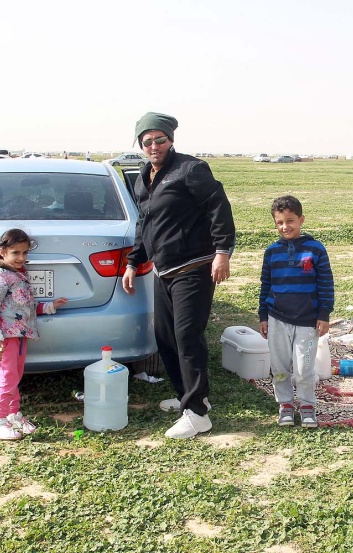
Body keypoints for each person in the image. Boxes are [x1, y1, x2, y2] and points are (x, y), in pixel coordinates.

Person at [121, 112, 236, 439]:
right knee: (166, 338)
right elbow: (146, 224)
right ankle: (190, 396)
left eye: (160, 139)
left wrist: (223, 252)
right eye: (148, 141)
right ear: (140, 145)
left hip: (195, 267)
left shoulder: (190, 169)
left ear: (171, 140)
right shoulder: (144, 177)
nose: (154, 146)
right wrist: (133, 262)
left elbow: (218, 207)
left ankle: (198, 414)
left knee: (187, 337)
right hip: (164, 271)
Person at [0, 228, 68, 440]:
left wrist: (48, 307)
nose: (21, 258)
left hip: (17, 335)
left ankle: (13, 414)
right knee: (6, 377)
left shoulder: (17, 275)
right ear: (2, 251)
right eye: (15, 253)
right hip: (3, 337)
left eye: (25, 253)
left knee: (14, 376)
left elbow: (22, 306)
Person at [258, 195, 334, 428]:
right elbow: (265, 284)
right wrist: (263, 316)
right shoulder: (272, 252)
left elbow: (325, 283)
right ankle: (285, 405)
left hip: (307, 320)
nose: (285, 227)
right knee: (279, 367)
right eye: (280, 222)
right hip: (277, 318)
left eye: (290, 221)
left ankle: (308, 405)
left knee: (304, 367)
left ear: (301, 220)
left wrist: (324, 314)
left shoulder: (316, 249)